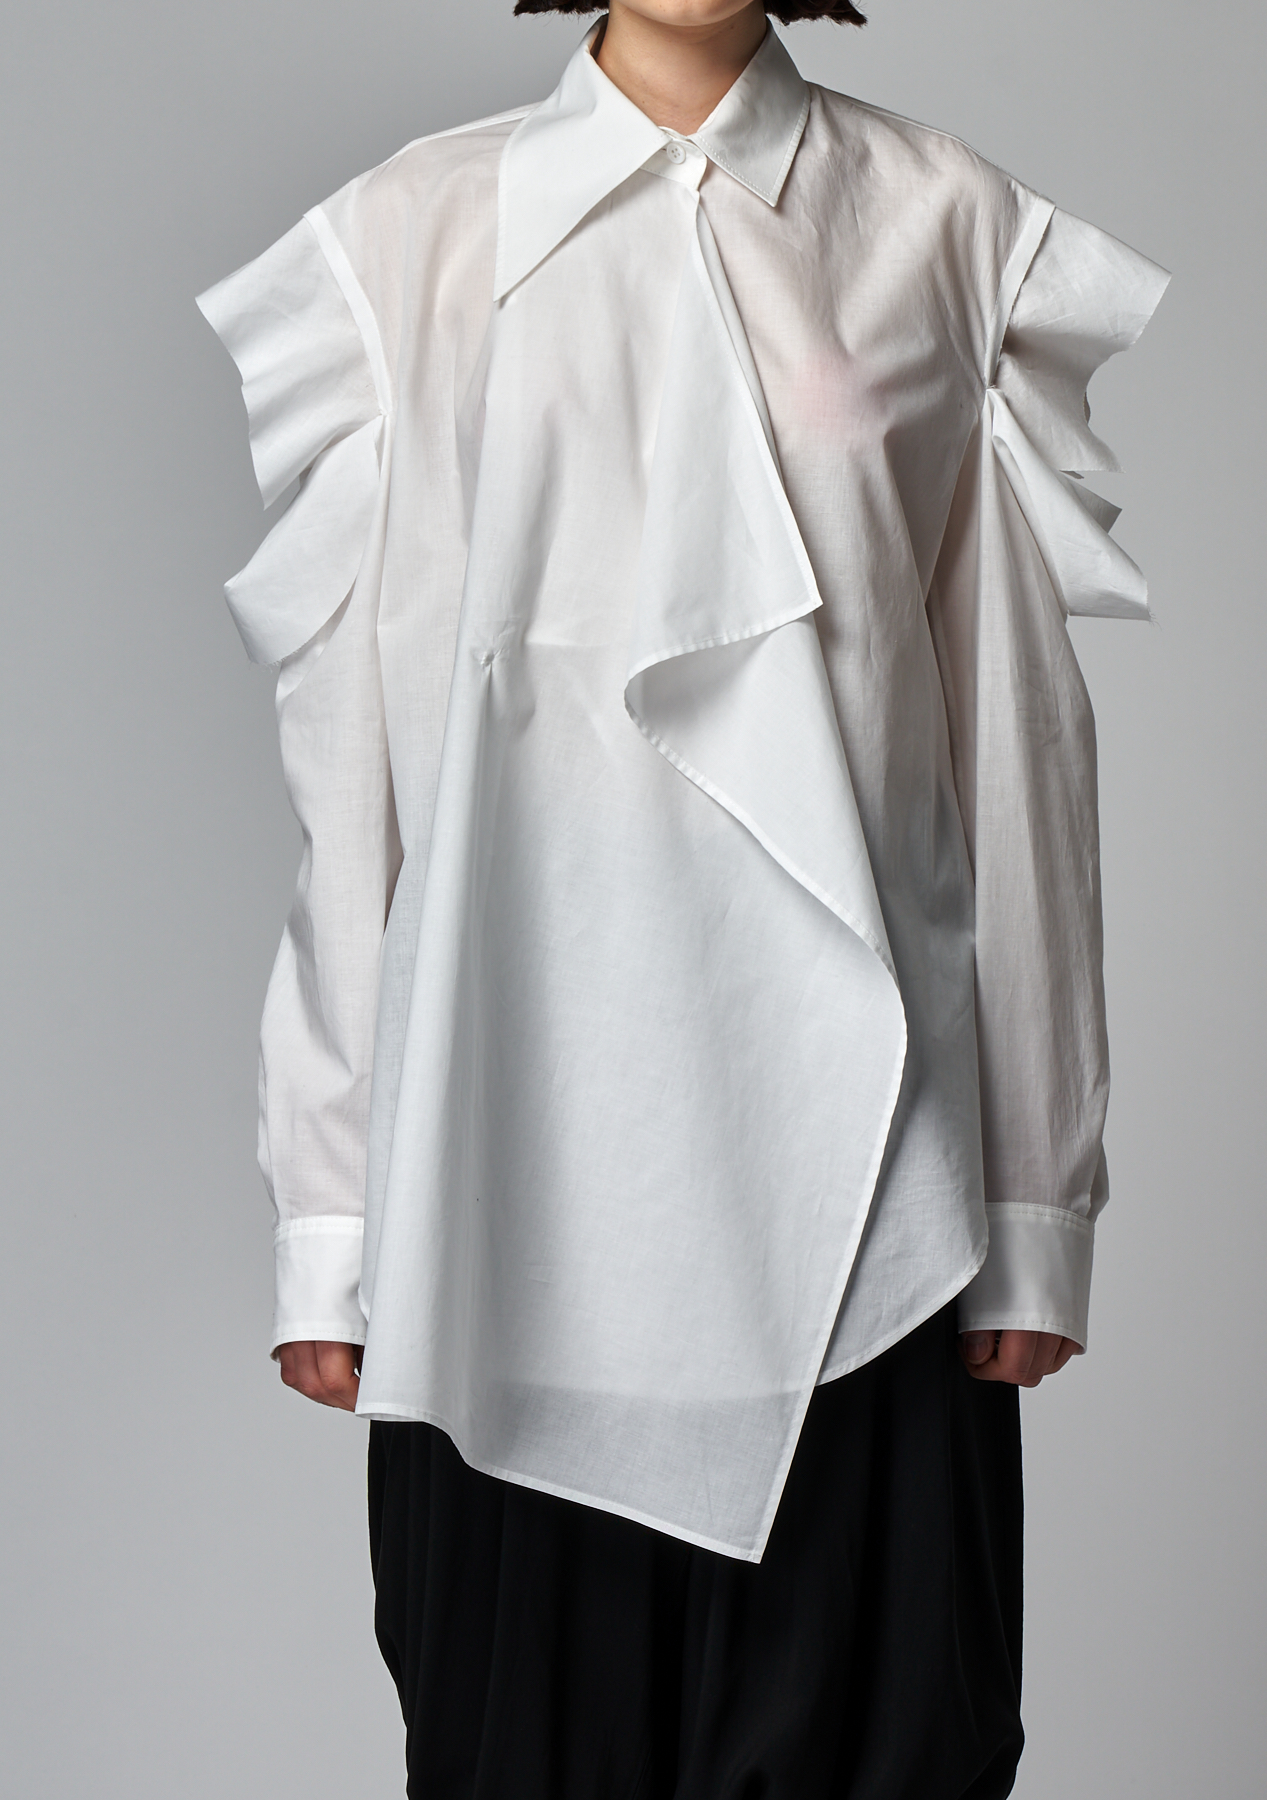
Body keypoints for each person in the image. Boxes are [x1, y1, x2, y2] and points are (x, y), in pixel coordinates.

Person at [199, 1, 1167, 1793]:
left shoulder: (942, 223)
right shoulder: (406, 239)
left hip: (872, 1190)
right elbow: (350, 773)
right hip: (507, 1180)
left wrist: (1037, 1192)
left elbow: (1017, 743)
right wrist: (331, 1209)